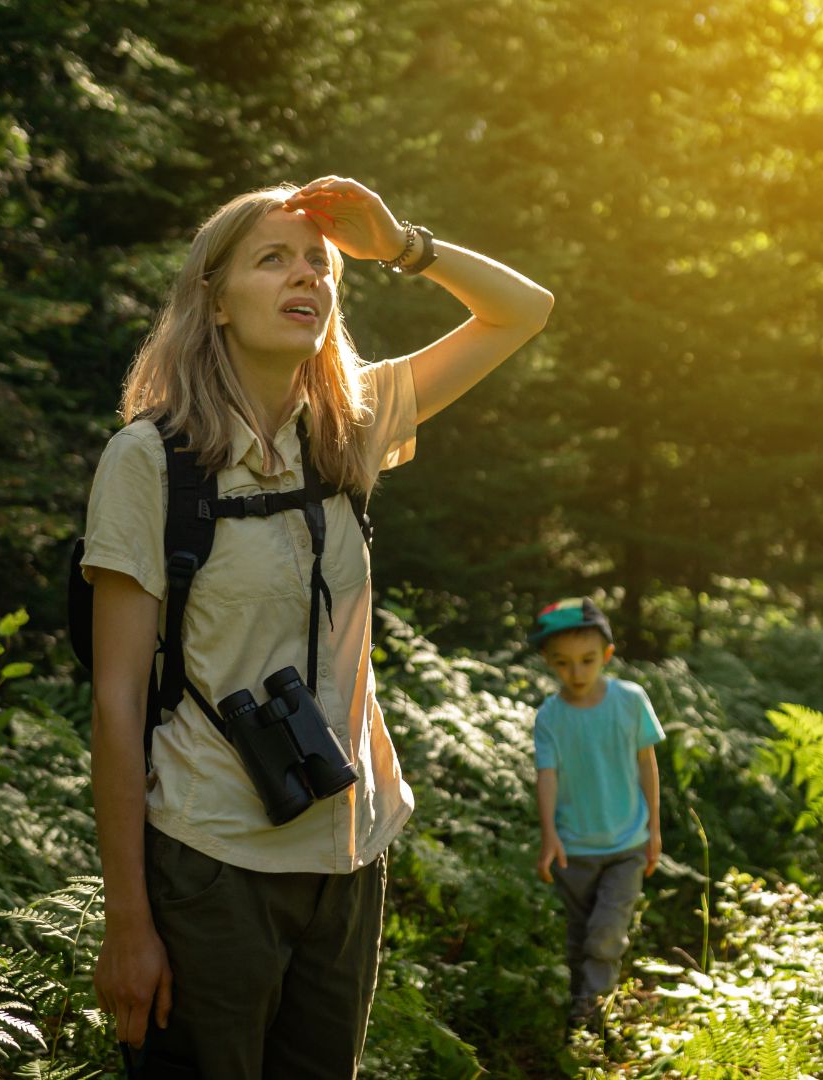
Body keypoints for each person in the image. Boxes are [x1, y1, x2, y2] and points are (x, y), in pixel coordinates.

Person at [81, 177, 553, 1078]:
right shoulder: (149, 461)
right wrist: (128, 922)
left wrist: (401, 243)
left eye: (320, 263)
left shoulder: (347, 426)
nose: (307, 277)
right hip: (212, 858)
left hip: (349, 853)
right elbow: (114, 704)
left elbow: (523, 312)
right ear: (214, 301)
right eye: (273, 259)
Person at [529, 598, 665, 1030]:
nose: (577, 672)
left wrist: (655, 830)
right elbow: (546, 776)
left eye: (588, 660)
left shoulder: (630, 701)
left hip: (627, 843)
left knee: (606, 934)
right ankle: (583, 1005)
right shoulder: (549, 716)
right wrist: (549, 835)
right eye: (564, 663)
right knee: (580, 936)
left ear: (607, 656)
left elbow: (647, 764)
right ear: (548, 662)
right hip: (575, 848)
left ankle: (592, 1017)